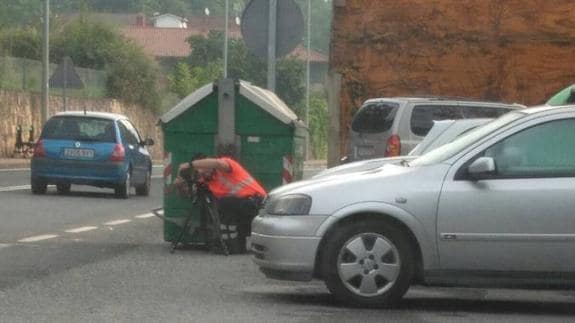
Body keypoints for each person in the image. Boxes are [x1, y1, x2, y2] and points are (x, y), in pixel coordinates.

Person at [174, 154, 266, 253]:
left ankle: (230, 245)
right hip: (244, 213)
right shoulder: (206, 182)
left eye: (204, 167)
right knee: (226, 204)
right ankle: (234, 245)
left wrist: (190, 165)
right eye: (199, 170)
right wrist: (180, 183)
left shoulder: (227, 165)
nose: (203, 172)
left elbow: (217, 163)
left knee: (225, 202)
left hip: (259, 205)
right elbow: (186, 196)